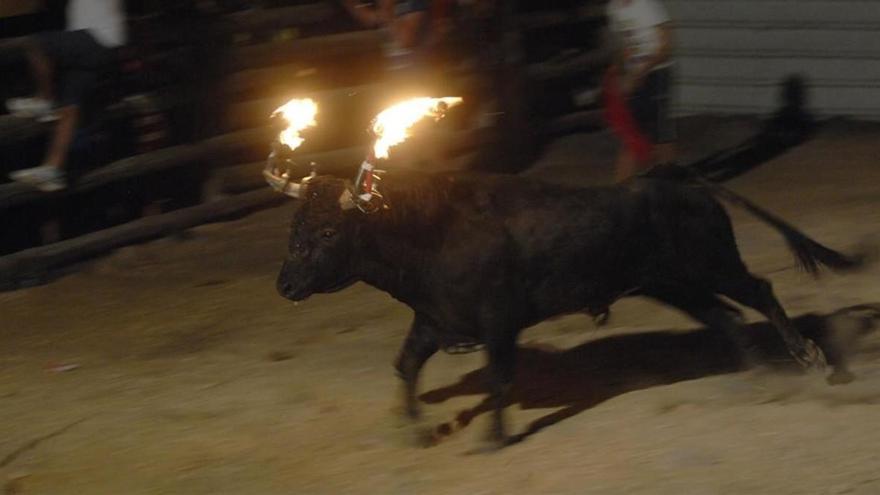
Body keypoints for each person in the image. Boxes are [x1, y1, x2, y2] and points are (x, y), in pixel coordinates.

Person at [6, 0, 127, 192]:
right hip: (98, 43)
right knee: (70, 107)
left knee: (37, 44)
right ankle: (52, 169)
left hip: (95, 38)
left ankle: (44, 100)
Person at [604, 0, 675, 181]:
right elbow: (623, 45)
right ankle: (621, 193)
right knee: (633, 133)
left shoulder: (648, 5)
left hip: (658, 73)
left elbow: (666, 48)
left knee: (662, 134)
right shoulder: (613, 8)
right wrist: (619, 73)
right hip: (635, 76)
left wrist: (640, 72)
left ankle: (669, 185)